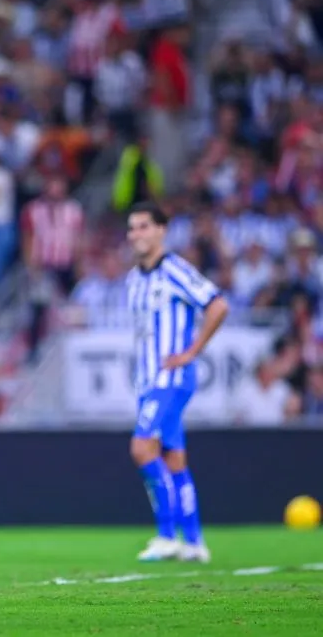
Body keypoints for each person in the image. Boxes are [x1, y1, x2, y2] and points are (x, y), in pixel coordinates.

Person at [125, 202, 229, 563]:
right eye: (132, 228)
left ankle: (167, 535)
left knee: (142, 448)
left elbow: (217, 305)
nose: (136, 234)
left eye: (143, 226)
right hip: (147, 380)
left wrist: (191, 352)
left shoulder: (175, 270)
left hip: (170, 378)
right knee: (173, 458)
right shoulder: (133, 279)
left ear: (161, 230)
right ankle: (195, 543)